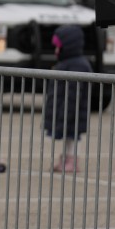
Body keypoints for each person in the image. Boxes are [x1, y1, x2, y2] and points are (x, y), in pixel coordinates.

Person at [44, 24, 92, 173]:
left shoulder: (78, 65)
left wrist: (66, 113)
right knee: (68, 136)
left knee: (73, 136)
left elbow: (73, 94)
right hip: (65, 108)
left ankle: (72, 160)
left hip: (73, 110)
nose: (56, 51)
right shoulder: (65, 63)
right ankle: (65, 159)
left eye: (58, 47)